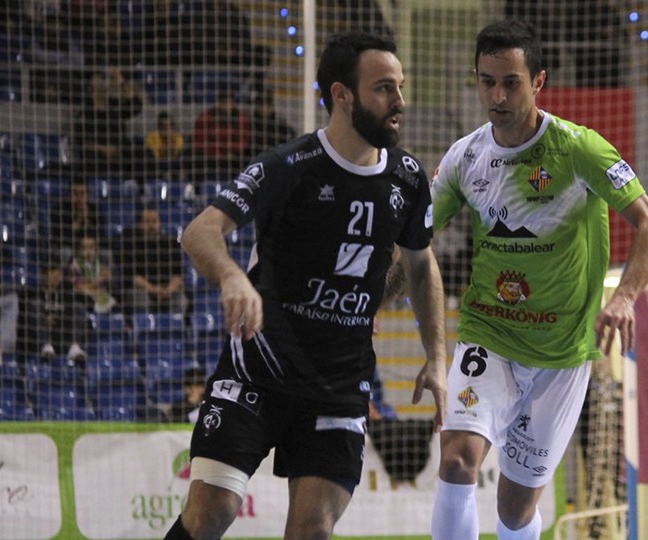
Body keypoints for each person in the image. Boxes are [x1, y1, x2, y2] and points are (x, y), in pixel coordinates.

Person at [165, 31, 448, 540]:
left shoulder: (408, 178)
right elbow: (199, 232)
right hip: (257, 372)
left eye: (400, 86)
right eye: (384, 88)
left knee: (312, 529)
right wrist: (232, 277)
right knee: (212, 513)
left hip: (338, 388)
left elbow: (421, 264)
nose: (400, 102)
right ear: (342, 95)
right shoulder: (287, 166)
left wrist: (437, 356)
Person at [429, 21, 648, 540]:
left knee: (515, 512)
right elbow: (414, 244)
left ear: (538, 81)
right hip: (488, 334)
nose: (497, 95)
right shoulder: (464, 158)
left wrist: (625, 297)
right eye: (486, 81)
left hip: (561, 355)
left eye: (510, 82)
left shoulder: (580, 148)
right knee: (456, 464)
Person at [74, 68, 145, 180]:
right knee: (88, 157)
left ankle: (140, 190)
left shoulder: (115, 106)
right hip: (97, 155)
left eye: (104, 79)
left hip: (119, 152)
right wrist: (104, 149)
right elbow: (83, 141)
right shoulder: (86, 112)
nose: (102, 82)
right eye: (99, 79)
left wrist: (121, 81)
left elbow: (136, 105)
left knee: (136, 152)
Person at [19, 256, 89, 364]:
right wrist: (45, 317)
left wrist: (56, 317)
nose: (56, 275)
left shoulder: (67, 289)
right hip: (39, 336)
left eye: (58, 272)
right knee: (35, 304)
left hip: (60, 333)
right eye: (51, 272)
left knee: (78, 307)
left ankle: (74, 347)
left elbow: (85, 305)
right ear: (44, 274)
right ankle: (45, 345)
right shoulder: (33, 291)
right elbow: (26, 316)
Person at [117, 207, 187, 315]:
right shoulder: (132, 244)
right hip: (143, 290)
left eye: (154, 221)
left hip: (167, 290)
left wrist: (169, 289)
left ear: (159, 224)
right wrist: (155, 290)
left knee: (181, 301)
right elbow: (133, 277)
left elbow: (179, 275)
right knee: (140, 301)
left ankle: (172, 330)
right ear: (140, 224)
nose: (151, 225)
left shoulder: (171, 244)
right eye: (147, 221)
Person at [190, 86, 251, 182]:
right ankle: (197, 192)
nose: (226, 105)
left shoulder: (241, 118)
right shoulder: (206, 117)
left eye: (229, 102)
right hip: (210, 157)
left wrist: (231, 152)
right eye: (223, 102)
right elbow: (200, 140)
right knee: (197, 161)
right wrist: (216, 154)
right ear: (218, 102)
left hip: (233, 156)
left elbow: (244, 140)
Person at [49, 178, 106, 257]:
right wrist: (78, 221)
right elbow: (58, 239)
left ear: (88, 194)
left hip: (90, 247)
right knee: (65, 252)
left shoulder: (95, 210)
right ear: (69, 195)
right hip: (70, 247)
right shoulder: (59, 211)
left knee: (105, 253)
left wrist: (87, 220)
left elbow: (101, 236)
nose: (79, 198)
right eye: (75, 193)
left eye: (82, 193)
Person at [68, 234, 117, 314]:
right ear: (80, 249)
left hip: (100, 294)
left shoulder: (100, 263)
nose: (88, 251)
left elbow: (107, 284)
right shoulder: (74, 265)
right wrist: (97, 283)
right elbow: (79, 288)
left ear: (96, 248)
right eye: (84, 247)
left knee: (115, 307)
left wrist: (107, 279)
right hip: (83, 298)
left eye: (91, 247)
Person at [248, 92, 297, 160]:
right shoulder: (249, 126)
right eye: (261, 105)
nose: (265, 109)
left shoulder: (282, 128)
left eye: (268, 105)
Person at [144, 111, 186, 179]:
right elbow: (155, 157)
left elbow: (177, 154)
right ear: (159, 127)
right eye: (164, 127)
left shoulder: (177, 137)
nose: (167, 129)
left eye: (170, 126)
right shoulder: (152, 137)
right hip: (156, 165)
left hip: (173, 165)